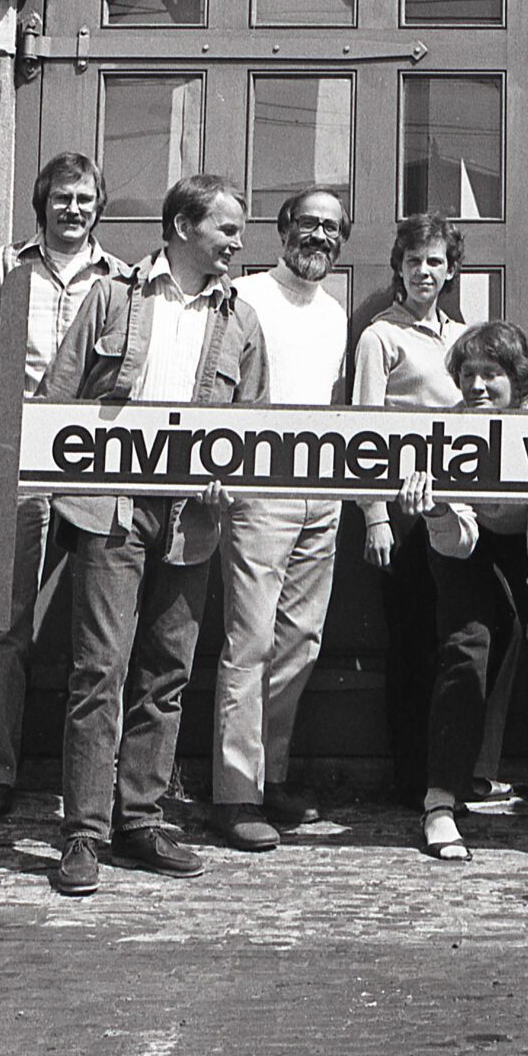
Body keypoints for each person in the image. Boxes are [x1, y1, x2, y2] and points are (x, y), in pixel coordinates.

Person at [37, 175, 269, 896]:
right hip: (111, 505)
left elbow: (254, 426)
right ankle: (83, 833)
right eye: (225, 230)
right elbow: (56, 400)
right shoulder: (113, 296)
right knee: (97, 668)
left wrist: (231, 477)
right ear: (180, 226)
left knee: (167, 671)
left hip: (190, 516)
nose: (237, 244)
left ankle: (141, 820)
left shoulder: (242, 320)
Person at [0, 151, 127, 820]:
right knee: (3, 623)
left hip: (92, 470)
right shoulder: (4, 266)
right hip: (17, 465)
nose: (74, 209)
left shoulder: (119, 279)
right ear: (42, 202)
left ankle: (95, 788)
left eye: (85, 198)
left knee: (97, 632)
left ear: (99, 205)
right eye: (63, 197)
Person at [400, 320, 528, 862]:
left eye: (491, 374)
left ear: (519, 379)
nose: (476, 386)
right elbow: (460, 542)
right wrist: (440, 508)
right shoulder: (448, 429)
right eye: (467, 374)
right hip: (468, 542)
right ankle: (440, 801)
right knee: (467, 647)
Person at [210, 188, 350, 852]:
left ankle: (273, 776)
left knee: (300, 642)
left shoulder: (336, 314)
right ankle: (235, 795)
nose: (318, 236)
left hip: (321, 493)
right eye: (308, 224)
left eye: (331, 227)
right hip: (259, 491)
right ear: (283, 229)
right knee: (251, 640)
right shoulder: (244, 296)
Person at [352, 213, 467, 809]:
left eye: (437, 261)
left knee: (457, 642)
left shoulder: (463, 336)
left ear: (451, 271)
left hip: (454, 512)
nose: (426, 271)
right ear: (399, 266)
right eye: (416, 260)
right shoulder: (380, 337)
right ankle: (410, 777)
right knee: (412, 644)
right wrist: (374, 515)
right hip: (403, 515)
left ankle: (449, 771)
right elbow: (363, 434)